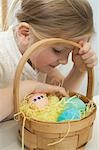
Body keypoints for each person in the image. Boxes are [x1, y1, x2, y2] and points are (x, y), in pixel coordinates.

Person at [0, 0, 98, 121]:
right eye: (58, 50)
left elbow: (61, 98)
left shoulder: (39, 62)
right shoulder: (3, 56)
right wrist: (29, 88)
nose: (64, 61)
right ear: (25, 34)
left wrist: (79, 70)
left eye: (70, 52)